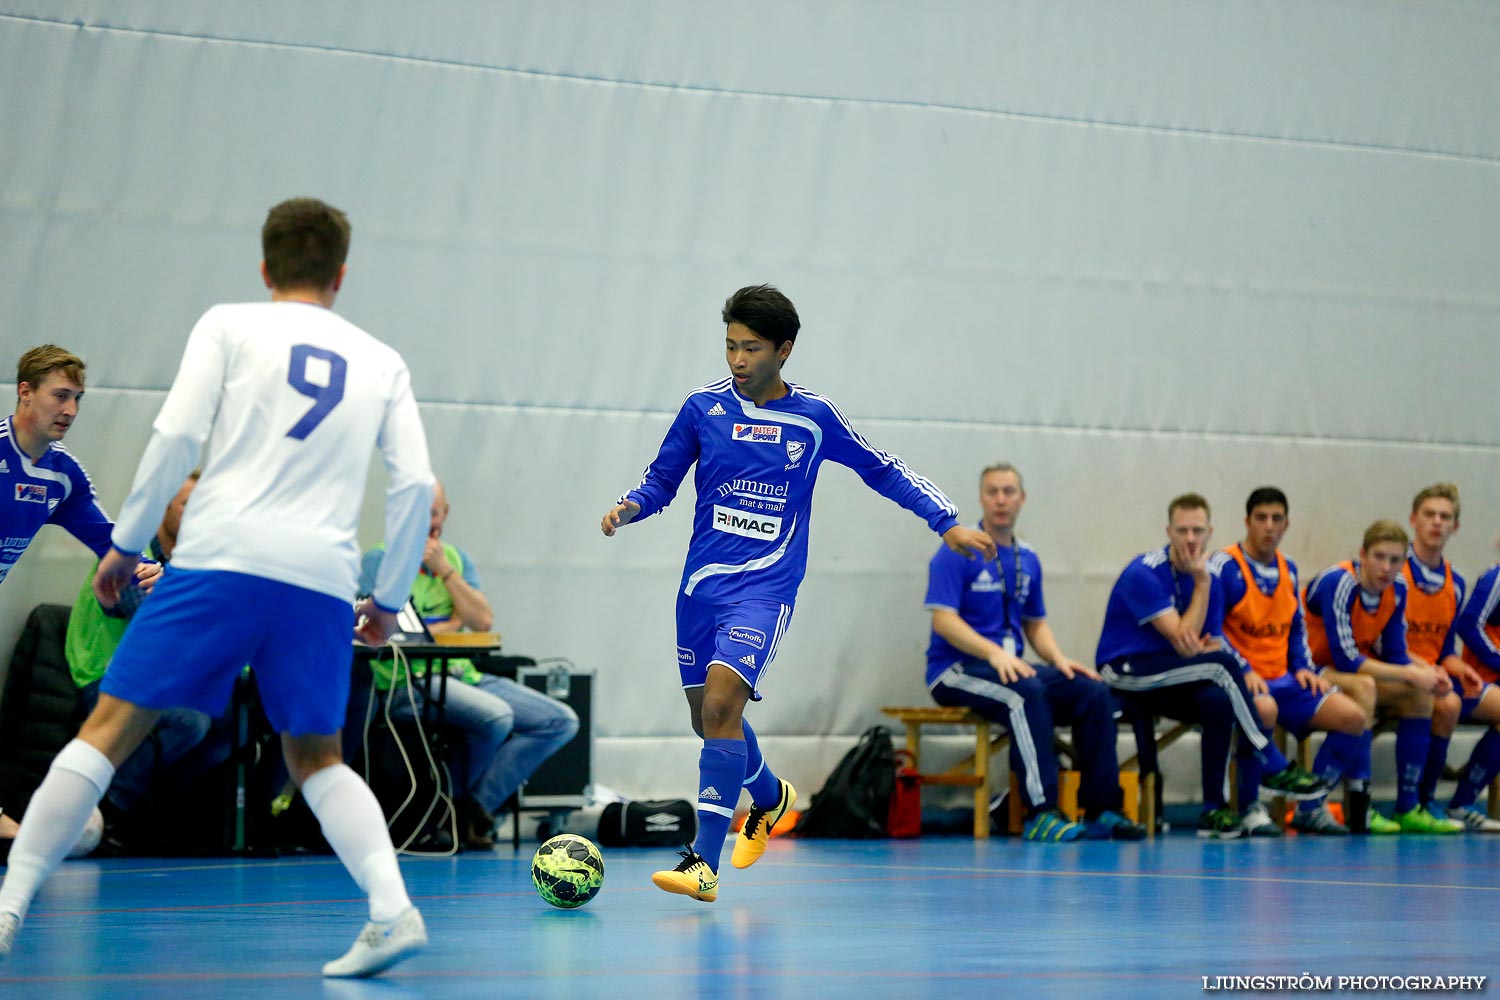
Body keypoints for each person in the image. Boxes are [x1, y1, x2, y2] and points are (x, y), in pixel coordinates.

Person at [0, 197, 437, 977]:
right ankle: (392, 908)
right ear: (342, 273)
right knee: (317, 756)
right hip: (320, 578)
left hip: (223, 556)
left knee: (107, 729)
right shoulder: (383, 360)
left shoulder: (229, 325)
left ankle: (9, 905)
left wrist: (126, 543)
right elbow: (414, 486)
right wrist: (386, 598)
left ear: (265, 268)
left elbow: (175, 436)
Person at [601, 284, 995, 902]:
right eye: (730, 346)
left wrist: (946, 521)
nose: (736, 360)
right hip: (701, 586)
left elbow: (880, 467)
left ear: (784, 351)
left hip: (764, 588)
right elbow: (662, 480)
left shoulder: (813, 419)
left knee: (724, 706)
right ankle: (769, 795)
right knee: (707, 719)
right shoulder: (701, 409)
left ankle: (703, 862)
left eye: (750, 348)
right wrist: (630, 508)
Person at [925, 462, 1144, 841]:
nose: (1001, 500)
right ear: (981, 498)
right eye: (992, 491)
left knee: (1092, 691)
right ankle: (1040, 812)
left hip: (1010, 666)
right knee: (1024, 694)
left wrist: (1059, 660)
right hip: (957, 670)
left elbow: (1035, 623)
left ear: (1021, 499)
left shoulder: (1029, 558)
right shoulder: (957, 549)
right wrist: (993, 653)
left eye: (1009, 492)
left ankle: (1103, 808)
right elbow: (943, 621)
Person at [360, 478, 579, 849]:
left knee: (560, 721)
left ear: (446, 514)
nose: (431, 521)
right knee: (495, 717)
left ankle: (469, 808)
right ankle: (450, 810)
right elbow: (389, 628)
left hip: (464, 673)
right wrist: (449, 623)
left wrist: (445, 572)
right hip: (403, 681)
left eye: (436, 513)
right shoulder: (381, 559)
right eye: (422, 513)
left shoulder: (456, 560)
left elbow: (481, 621)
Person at [1096, 493, 1328, 839]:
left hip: (1175, 672)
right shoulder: (1143, 572)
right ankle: (1272, 761)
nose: (1191, 539)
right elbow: (1183, 638)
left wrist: (1203, 586)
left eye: (1198, 531)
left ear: (1209, 533)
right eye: (1183, 530)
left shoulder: (1210, 576)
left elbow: (1211, 640)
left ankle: (1213, 811)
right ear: (1169, 531)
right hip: (1126, 671)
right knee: (1219, 667)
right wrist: (1200, 588)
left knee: (1217, 699)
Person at [62, 472, 233, 850]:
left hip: (158, 682)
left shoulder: (192, 564)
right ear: (164, 507)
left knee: (228, 727)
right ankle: (111, 812)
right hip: (104, 678)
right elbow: (162, 627)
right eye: (188, 505)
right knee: (191, 722)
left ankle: (155, 816)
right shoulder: (133, 553)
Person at [1213, 487, 1374, 836]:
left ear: (1287, 524)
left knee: (1353, 718)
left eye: (1277, 519)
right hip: (1243, 681)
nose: (1269, 527)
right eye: (1261, 518)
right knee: (1265, 709)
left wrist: (1303, 667)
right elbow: (1212, 632)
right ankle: (1249, 806)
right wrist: (1243, 670)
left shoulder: (1288, 569)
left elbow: (1297, 626)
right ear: (1247, 522)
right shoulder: (1225, 566)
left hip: (1285, 679)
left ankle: (1310, 808)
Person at [1303, 520, 1461, 833]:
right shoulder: (1340, 582)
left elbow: (1396, 652)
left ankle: (1408, 806)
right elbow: (1347, 659)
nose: (1385, 567)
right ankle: (1348, 807)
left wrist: (1426, 672)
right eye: (1378, 557)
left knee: (1420, 693)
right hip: (1308, 670)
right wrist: (1410, 673)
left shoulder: (1397, 589)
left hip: (1346, 671)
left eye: (1394, 560)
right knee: (1366, 686)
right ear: (1362, 554)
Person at [1, 346, 152, 586]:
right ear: (26, 391)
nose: (71, 410)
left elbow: (107, 540)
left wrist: (148, 571)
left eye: (77, 398)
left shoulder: (64, 474)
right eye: (60, 396)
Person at [1401, 483, 1500, 831]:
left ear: (1455, 527)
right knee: (1446, 704)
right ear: (1414, 519)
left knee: (1453, 698)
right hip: (1398, 672)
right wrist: (1425, 668)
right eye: (1430, 515)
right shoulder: (1395, 571)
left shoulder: (1454, 581)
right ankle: (1415, 802)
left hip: (1437, 674)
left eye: (1445, 517)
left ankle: (1456, 803)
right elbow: (1382, 642)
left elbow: (1444, 650)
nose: (1437, 523)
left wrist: (1461, 670)